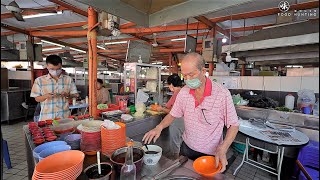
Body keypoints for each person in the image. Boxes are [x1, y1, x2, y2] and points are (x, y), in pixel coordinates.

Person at [143, 52, 239, 173]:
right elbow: (173, 114)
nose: (187, 79)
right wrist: (159, 127)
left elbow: (234, 125)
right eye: (184, 75)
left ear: (203, 71)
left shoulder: (222, 94)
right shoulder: (184, 92)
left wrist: (223, 148)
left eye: (191, 75)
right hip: (187, 148)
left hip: (211, 154)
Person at [30, 55, 79, 121]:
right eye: (52, 69)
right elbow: (37, 99)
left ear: (61, 66)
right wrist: (46, 96)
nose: (55, 71)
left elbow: (76, 96)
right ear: (47, 66)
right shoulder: (39, 81)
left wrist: (67, 95)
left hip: (64, 117)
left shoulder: (68, 79)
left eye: (58, 69)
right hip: (47, 118)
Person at [156, 74, 185, 159]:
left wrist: (161, 109)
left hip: (177, 121)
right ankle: (179, 156)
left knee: (175, 141)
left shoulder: (178, 94)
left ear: (171, 85)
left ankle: (175, 158)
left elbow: (174, 111)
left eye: (168, 85)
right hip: (183, 121)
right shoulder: (181, 91)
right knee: (180, 140)